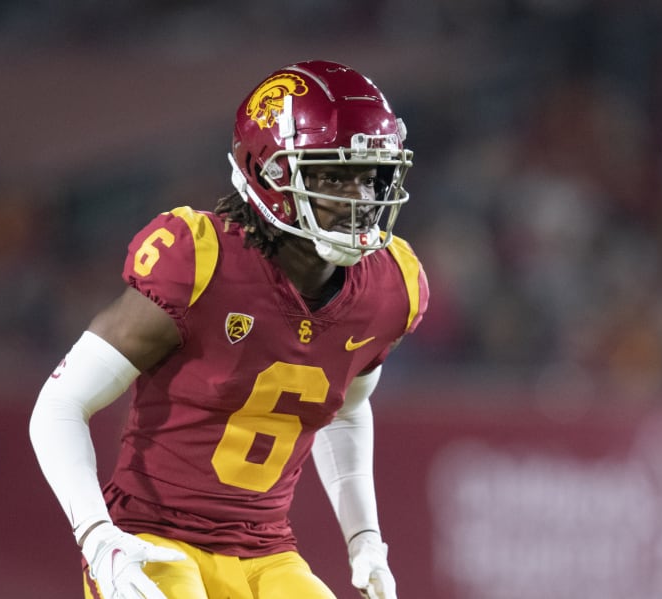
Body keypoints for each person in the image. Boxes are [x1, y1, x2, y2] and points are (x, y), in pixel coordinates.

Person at [29, 59, 429, 599]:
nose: (359, 199)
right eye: (332, 175)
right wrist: (99, 537)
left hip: (267, 552)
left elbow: (348, 408)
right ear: (268, 173)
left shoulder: (391, 286)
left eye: (368, 175)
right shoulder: (200, 261)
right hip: (154, 538)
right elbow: (59, 405)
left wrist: (364, 540)